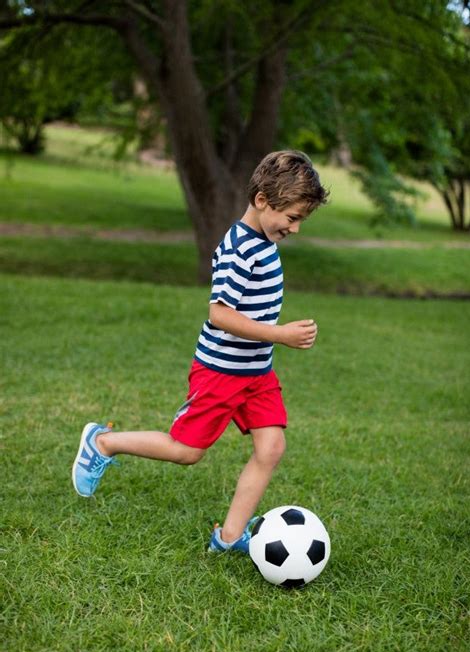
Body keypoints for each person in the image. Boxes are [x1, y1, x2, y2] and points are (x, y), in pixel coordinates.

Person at [72, 150, 329, 553]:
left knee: (272, 447)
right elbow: (220, 315)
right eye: (292, 217)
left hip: (257, 373)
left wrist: (272, 339)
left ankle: (228, 538)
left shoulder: (265, 240)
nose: (295, 228)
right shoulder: (238, 248)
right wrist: (279, 334)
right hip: (221, 373)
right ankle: (103, 443)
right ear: (262, 200)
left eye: (301, 220)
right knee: (187, 451)